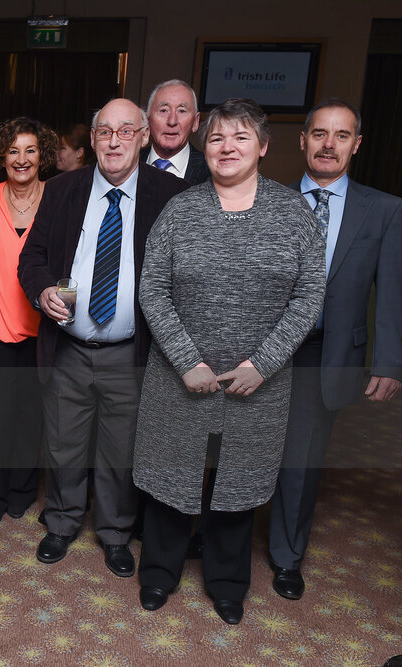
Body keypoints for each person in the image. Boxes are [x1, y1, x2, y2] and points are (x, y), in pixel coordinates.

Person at [133, 98, 325, 625]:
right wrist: (185, 359)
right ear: (205, 147)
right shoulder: (181, 210)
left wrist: (262, 364)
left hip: (256, 382)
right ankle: (159, 575)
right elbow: (152, 289)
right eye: (217, 138)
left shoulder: (292, 214)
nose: (227, 147)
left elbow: (310, 296)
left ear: (262, 147)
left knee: (237, 485)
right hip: (181, 376)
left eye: (241, 138)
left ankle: (226, 583)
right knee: (173, 476)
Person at [17, 98, 187, 574]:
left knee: (120, 448)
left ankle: (114, 533)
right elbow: (31, 259)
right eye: (105, 132)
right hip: (69, 347)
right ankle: (63, 521)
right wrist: (42, 290)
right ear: (92, 140)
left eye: (126, 131)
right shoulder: (63, 189)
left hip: (131, 353)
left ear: (144, 137)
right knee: (63, 443)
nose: (114, 141)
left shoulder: (169, 193)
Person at [268, 98, 402, 600]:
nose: (329, 144)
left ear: (357, 145)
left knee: (300, 460)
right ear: (302, 141)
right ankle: (218, 535)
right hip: (260, 351)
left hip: (325, 353)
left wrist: (389, 361)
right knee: (235, 446)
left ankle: (286, 556)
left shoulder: (385, 210)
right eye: (319, 134)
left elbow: (390, 292)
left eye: (341, 135)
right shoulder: (267, 200)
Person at [0, 116, 58, 524]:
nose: (21, 158)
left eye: (30, 150)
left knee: (31, 416)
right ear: (1, 156)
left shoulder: (59, 198)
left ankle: (23, 489)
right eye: (13, 150)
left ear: (42, 156)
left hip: (43, 332)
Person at [141, 79, 210, 185]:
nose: (172, 121)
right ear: (148, 120)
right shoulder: (130, 163)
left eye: (182, 111)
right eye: (163, 110)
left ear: (195, 122)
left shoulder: (211, 170)